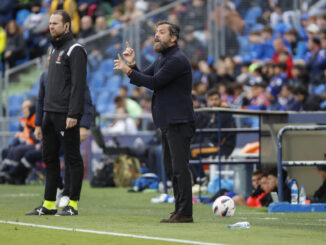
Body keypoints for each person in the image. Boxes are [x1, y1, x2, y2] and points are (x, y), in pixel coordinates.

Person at [114, 20, 196, 223]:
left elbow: (155, 83)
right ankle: (179, 210)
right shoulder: (163, 58)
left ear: (173, 37)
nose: (156, 35)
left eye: (161, 32)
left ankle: (185, 212)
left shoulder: (176, 59)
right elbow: (146, 76)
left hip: (179, 121)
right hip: (169, 121)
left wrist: (128, 71)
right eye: (156, 32)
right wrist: (132, 65)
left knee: (179, 168)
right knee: (171, 169)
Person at [26, 10, 87, 216]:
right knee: (50, 159)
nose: (51, 26)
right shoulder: (53, 51)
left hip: (65, 115)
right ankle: (49, 203)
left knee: (72, 159)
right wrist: (41, 119)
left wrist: (74, 114)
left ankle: (73, 205)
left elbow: (79, 86)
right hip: (49, 115)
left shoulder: (75, 50)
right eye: (50, 23)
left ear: (67, 26)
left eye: (55, 23)